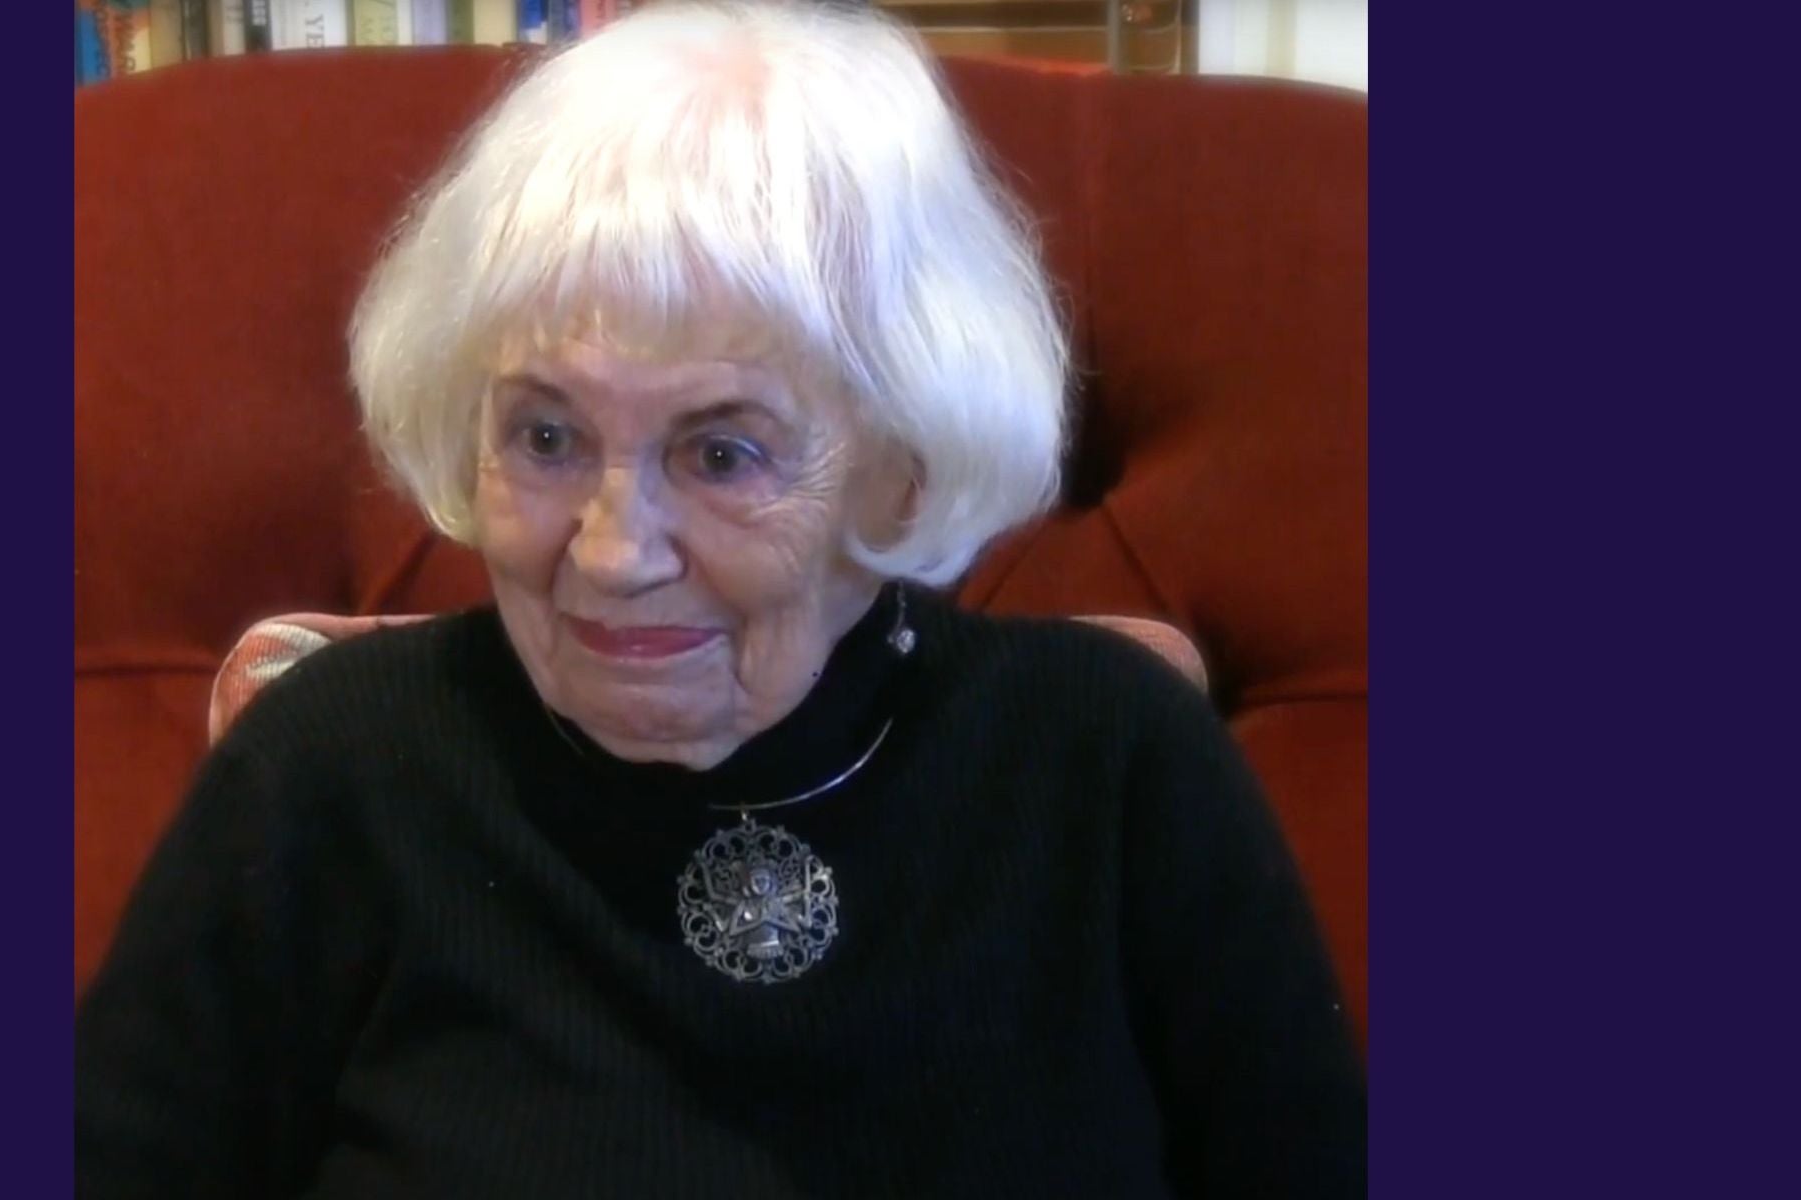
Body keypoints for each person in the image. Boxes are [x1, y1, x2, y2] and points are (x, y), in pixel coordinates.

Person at [74, 2, 1366, 1195]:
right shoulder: (337, 765)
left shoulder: (1108, 760)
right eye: (544, 437)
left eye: (723, 451)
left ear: (899, 473)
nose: (613, 550)